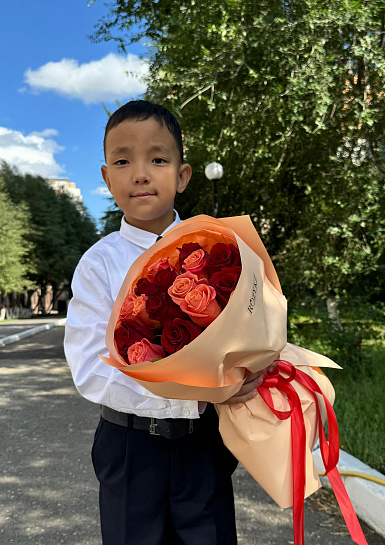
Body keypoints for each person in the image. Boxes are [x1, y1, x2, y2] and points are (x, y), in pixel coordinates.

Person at [64, 100, 270, 545]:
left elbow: (247, 327)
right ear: (106, 178)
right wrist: (192, 384)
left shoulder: (216, 248)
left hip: (203, 442)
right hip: (131, 446)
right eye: (123, 160)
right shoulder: (99, 264)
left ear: (182, 175)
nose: (140, 173)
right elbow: (89, 368)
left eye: (158, 159)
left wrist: (251, 368)